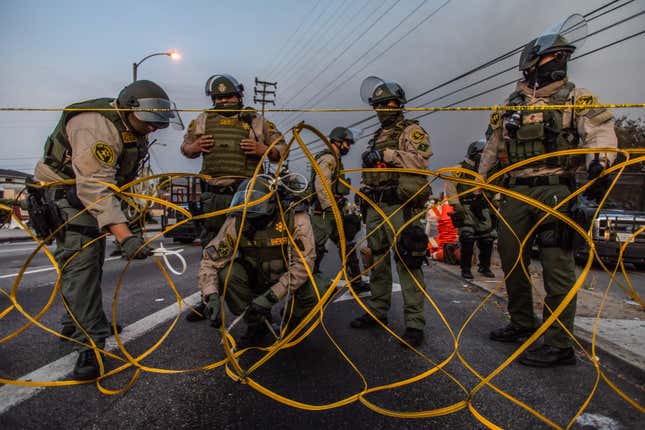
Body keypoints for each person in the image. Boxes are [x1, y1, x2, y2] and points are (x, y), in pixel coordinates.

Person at [477, 34, 617, 367]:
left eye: (562, 56)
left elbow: (601, 133)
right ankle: (522, 322)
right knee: (511, 259)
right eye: (551, 57)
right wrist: (480, 186)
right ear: (531, 64)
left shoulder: (576, 98)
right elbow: (493, 147)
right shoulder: (511, 104)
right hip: (514, 192)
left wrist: (600, 162)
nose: (558, 62)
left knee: (557, 268)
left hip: (556, 190)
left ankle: (559, 342)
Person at [32, 80, 183, 379]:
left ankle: (75, 321)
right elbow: (94, 187)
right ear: (128, 109)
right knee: (82, 263)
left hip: (86, 194)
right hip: (64, 194)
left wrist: (130, 221)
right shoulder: (95, 127)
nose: (152, 129)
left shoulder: (134, 128)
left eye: (157, 125)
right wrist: (124, 236)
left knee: (89, 263)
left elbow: (117, 182)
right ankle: (90, 343)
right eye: (148, 122)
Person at [181, 74, 286, 321]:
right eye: (218, 97)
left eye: (228, 96)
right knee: (212, 249)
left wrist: (264, 150)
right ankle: (208, 297)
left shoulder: (257, 121)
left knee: (252, 251)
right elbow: (186, 148)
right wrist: (194, 149)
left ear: (239, 96)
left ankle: (259, 308)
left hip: (247, 197)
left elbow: (282, 148)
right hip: (214, 196)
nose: (223, 100)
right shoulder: (203, 120)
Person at [350, 77, 432, 347]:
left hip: (400, 205)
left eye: (389, 103)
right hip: (376, 205)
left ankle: (414, 324)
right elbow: (370, 170)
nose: (384, 108)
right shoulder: (376, 137)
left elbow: (420, 162)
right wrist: (361, 192)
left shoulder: (411, 131)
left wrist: (388, 156)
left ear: (400, 104)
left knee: (408, 261)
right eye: (379, 104)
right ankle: (378, 310)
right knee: (376, 261)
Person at [197, 176, 322, 347]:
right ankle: (258, 324)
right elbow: (210, 260)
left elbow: (303, 265)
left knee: (317, 289)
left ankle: (293, 323)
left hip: (289, 276)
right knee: (228, 275)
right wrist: (210, 295)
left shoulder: (294, 216)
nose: (251, 219)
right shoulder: (238, 219)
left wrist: (270, 298)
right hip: (257, 275)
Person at [309, 126, 369, 292]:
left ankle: (356, 283)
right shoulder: (329, 158)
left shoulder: (334, 158)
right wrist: (330, 207)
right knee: (316, 249)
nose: (348, 147)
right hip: (324, 213)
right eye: (346, 143)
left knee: (348, 246)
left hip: (333, 211)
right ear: (337, 141)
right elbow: (321, 185)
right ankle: (306, 284)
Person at [445, 140, 496, 280]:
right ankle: (466, 269)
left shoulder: (486, 171)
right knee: (467, 238)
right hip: (465, 207)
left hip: (482, 207)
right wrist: (456, 205)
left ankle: (484, 267)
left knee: (487, 238)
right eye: (481, 153)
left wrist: (494, 205)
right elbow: (450, 186)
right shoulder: (459, 169)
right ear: (474, 152)